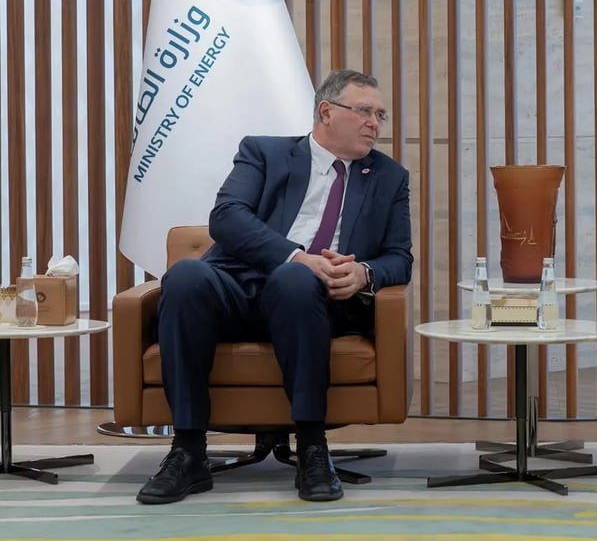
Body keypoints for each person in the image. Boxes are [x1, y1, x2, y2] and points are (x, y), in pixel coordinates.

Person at [136, 69, 413, 505]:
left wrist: (364, 273)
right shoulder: (265, 152)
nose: (374, 123)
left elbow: (399, 257)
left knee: (294, 280)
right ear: (326, 111)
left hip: (315, 302)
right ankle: (187, 452)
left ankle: (313, 449)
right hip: (239, 288)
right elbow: (226, 216)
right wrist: (296, 255)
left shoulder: (388, 177)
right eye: (364, 111)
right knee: (186, 276)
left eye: (380, 115)